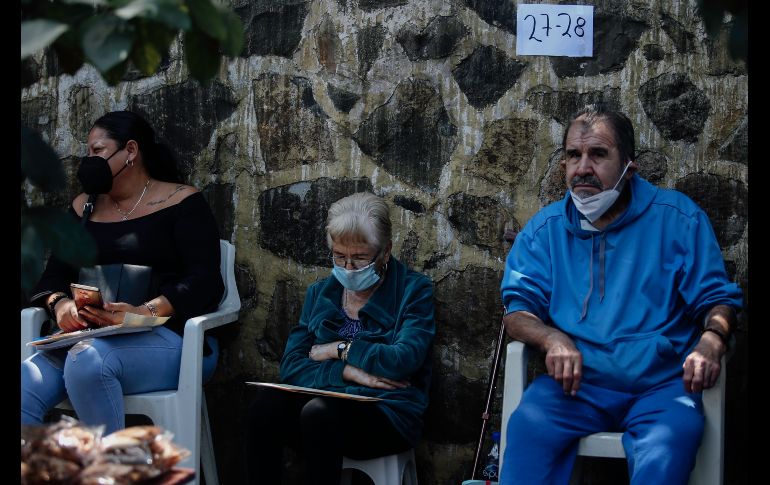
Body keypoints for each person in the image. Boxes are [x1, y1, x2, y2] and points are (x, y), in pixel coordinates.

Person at [499, 106, 743, 484]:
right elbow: (518, 312)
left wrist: (712, 339)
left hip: (660, 388)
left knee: (670, 444)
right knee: (528, 427)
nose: (582, 168)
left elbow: (716, 298)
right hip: (575, 388)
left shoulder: (677, 219)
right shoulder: (544, 230)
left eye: (598, 154)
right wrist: (552, 338)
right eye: (573, 155)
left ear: (629, 167)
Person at [21, 110, 225, 434]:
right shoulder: (83, 208)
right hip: (87, 338)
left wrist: (142, 312)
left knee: (87, 364)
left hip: (171, 339)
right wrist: (61, 306)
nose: (89, 161)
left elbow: (205, 281)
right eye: (88, 152)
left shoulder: (182, 202)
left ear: (130, 151)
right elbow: (51, 279)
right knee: (23, 383)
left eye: (97, 151)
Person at [245, 192, 435, 485]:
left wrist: (339, 348)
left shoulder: (414, 290)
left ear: (385, 252)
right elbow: (292, 366)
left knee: (319, 414)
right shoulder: (321, 292)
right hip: (323, 407)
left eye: (359, 259)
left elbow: (402, 360)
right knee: (265, 405)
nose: (347, 268)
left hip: (385, 412)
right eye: (339, 256)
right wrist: (348, 371)